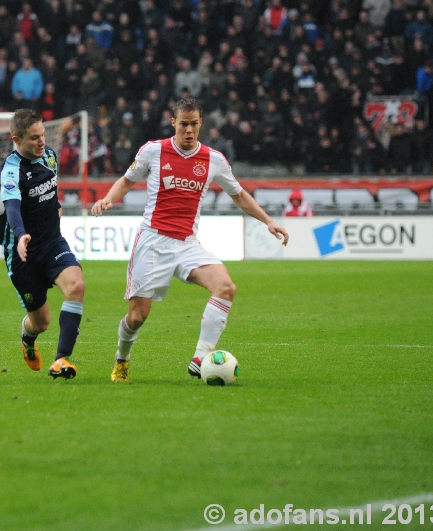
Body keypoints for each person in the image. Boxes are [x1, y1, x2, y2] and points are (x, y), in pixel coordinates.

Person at [91, 99, 289, 383]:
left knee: (225, 287)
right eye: (183, 124)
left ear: (200, 124)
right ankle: (122, 359)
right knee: (136, 317)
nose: (188, 130)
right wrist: (108, 199)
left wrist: (269, 221)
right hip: (152, 242)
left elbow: (239, 195)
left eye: (194, 124)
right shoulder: (153, 151)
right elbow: (127, 180)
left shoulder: (214, 159)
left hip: (187, 244)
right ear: (174, 123)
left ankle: (199, 358)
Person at [0, 109, 85, 380]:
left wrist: (55, 211)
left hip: (52, 243)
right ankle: (27, 338)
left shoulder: (50, 157)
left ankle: (61, 360)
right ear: (17, 139)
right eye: (34, 138)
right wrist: (21, 234)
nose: (41, 142)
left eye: (43, 135)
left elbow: (51, 194)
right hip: (23, 255)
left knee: (76, 286)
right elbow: (12, 207)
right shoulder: (11, 170)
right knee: (41, 322)